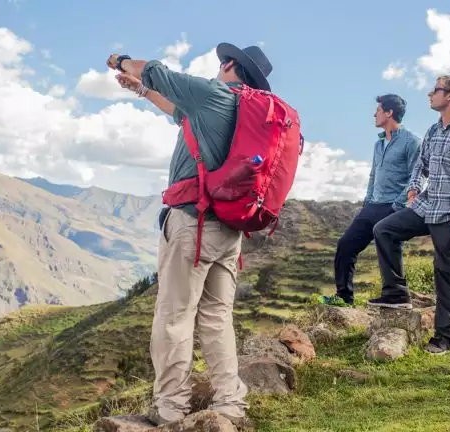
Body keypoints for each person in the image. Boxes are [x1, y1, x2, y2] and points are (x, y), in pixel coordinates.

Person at [106, 42, 275, 427]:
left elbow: (158, 69)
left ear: (229, 65)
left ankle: (171, 408)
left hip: (192, 223)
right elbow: (178, 112)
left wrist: (120, 60)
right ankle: (231, 404)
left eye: (221, 64)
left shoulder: (214, 94)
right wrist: (141, 90)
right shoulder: (246, 110)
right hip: (230, 227)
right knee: (217, 317)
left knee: (174, 318)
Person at [369, 75, 450, 355]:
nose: (430, 94)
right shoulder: (433, 130)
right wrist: (414, 187)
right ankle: (396, 293)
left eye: (436, 90)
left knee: (447, 273)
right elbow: (421, 165)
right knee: (384, 230)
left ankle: (445, 338)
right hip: (427, 206)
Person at [323, 94, 421, 306]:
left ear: (389, 113)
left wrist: (397, 205)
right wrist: (367, 202)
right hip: (372, 205)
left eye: (378, 110)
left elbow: (417, 176)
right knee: (346, 245)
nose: (374, 114)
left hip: (392, 206)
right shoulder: (378, 144)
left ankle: (396, 294)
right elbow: (373, 175)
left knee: (388, 245)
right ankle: (344, 297)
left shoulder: (412, 141)